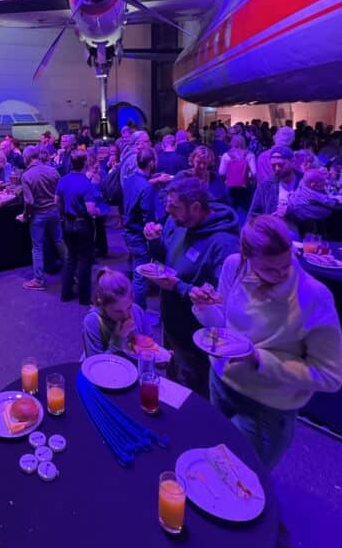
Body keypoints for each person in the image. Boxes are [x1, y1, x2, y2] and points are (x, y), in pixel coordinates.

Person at [191, 215, 342, 548]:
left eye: (285, 265)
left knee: (232, 497)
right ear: (246, 256)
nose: (280, 274)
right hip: (222, 386)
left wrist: (261, 360)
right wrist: (204, 307)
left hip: (267, 411)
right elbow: (224, 327)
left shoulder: (314, 296)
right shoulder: (233, 267)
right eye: (270, 268)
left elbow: (331, 375)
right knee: (235, 487)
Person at [143, 177, 240, 395]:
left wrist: (179, 287)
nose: (167, 211)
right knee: (172, 385)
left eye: (174, 206)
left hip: (195, 340)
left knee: (190, 397)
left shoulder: (224, 244)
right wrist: (154, 241)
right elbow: (167, 259)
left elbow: (220, 300)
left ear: (195, 207)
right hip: (172, 326)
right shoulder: (180, 223)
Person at [56, 151, 101, 305]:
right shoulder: (86, 184)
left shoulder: (63, 180)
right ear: (85, 163)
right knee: (84, 260)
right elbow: (90, 209)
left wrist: (63, 214)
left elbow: (57, 201)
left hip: (67, 223)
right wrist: (97, 211)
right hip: (83, 225)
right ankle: (84, 297)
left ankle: (66, 293)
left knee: (70, 258)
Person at [21, 145, 66, 291]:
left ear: (27, 158)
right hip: (54, 212)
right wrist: (60, 211)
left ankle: (39, 280)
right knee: (59, 241)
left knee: (37, 248)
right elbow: (60, 193)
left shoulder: (26, 176)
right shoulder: (53, 171)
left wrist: (25, 215)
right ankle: (73, 272)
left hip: (38, 216)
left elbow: (29, 201)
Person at [82, 268, 153, 357]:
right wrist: (118, 339)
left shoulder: (137, 310)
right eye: (118, 311)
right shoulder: (93, 321)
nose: (126, 315)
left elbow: (151, 344)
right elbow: (96, 363)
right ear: (102, 304)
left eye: (129, 307)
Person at [121, 146, 159, 309]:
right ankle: (138, 312)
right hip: (139, 235)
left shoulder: (129, 180)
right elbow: (148, 217)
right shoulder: (147, 188)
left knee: (134, 271)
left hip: (128, 232)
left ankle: (132, 308)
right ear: (151, 163)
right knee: (140, 277)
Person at [248, 146, 301, 221]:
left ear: (292, 161)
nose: (277, 168)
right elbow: (253, 214)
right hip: (273, 227)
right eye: (273, 165)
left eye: (281, 165)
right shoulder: (265, 186)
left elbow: (317, 210)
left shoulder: (305, 182)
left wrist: (290, 211)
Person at [218, 134, 256, 223]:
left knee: (231, 210)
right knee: (244, 211)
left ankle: (231, 227)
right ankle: (243, 228)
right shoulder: (249, 155)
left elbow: (221, 172)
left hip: (230, 186)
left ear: (232, 143)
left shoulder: (226, 155)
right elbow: (254, 173)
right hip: (245, 187)